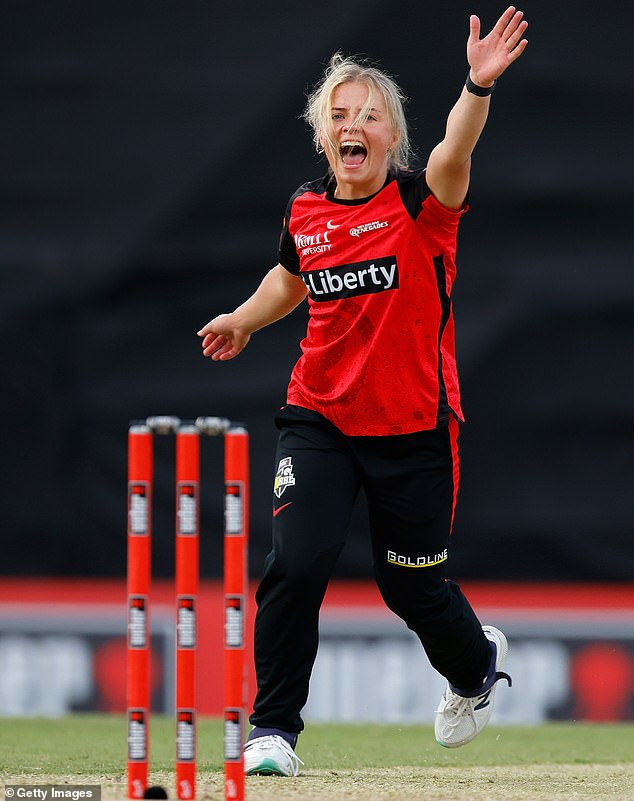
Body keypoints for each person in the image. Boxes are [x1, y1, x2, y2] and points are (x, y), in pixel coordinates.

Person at [198, 6, 528, 776]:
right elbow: (290, 276)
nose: (354, 127)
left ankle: (475, 666)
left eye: (369, 116)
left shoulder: (422, 204)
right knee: (297, 560)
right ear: (323, 137)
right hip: (318, 417)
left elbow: (457, 148)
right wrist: (244, 320)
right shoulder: (306, 208)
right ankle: (272, 730)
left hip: (413, 426)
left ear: (392, 138)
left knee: (410, 586)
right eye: (339, 116)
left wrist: (476, 85)